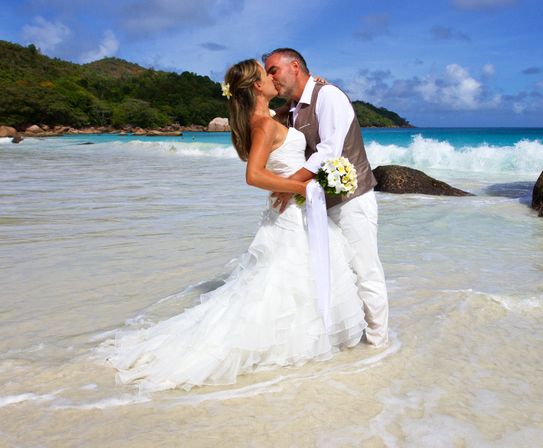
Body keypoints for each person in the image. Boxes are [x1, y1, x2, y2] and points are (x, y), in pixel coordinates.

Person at [105, 59, 366, 391]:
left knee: (293, 277)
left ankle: (305, 338)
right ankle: (281, 343)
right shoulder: (263, 124)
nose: (274, 77)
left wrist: (315, 88)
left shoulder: (270, 117)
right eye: (267, 73)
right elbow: (254, 175)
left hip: (292, 211)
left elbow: (293, 119)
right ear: (258, 86)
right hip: (289, 211)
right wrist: (300, 187)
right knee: (283, 280)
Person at [263, 48, 389, 347]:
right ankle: (345, 337)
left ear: (294, 66)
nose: (270, 77)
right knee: (335, 273)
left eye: (272, 70)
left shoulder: (328, 96)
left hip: (352, 199)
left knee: (365, 271)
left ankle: (377, 344)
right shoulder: (289, 110)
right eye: (266, 74)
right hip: (318, 204)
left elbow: (329, 150)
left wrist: (288, 185)